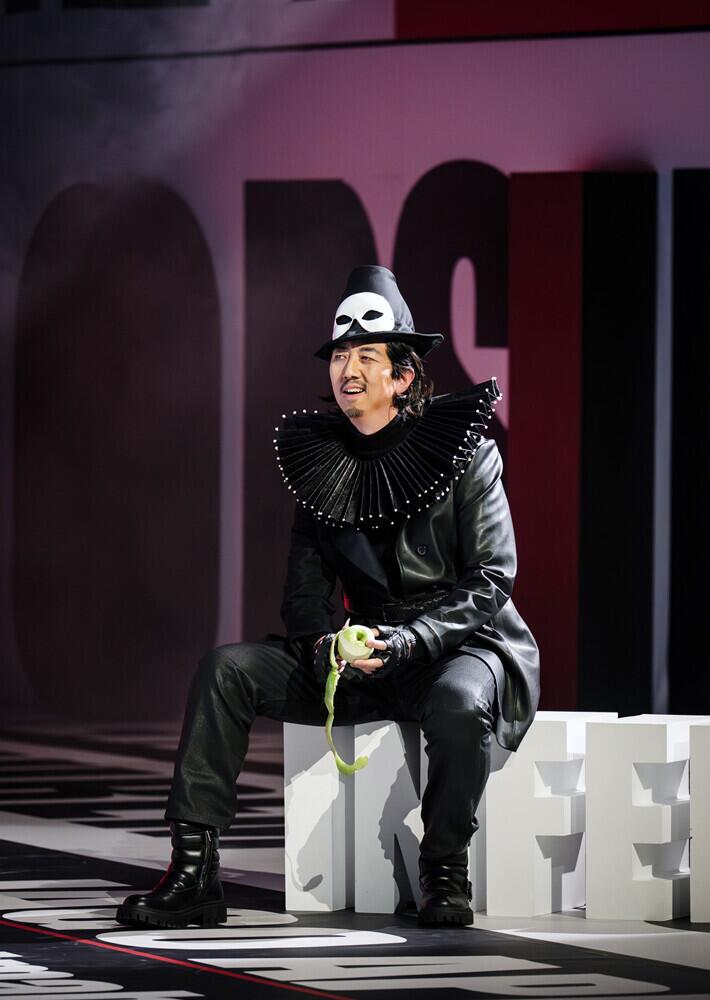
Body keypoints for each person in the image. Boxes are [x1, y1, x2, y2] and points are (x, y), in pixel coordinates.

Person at [115, 264, 540, 930]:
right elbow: (304, 593)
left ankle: (444, 867)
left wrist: (412, 641)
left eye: (367, 356)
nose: (348, 368)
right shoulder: (323, 468)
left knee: (459, 704)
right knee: (226, 670)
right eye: (341, 355)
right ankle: (194, 872)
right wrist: (325, 646)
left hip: (456, 645)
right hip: (362, 655)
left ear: (403, 376)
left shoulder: (467, 454)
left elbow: (491, 577)